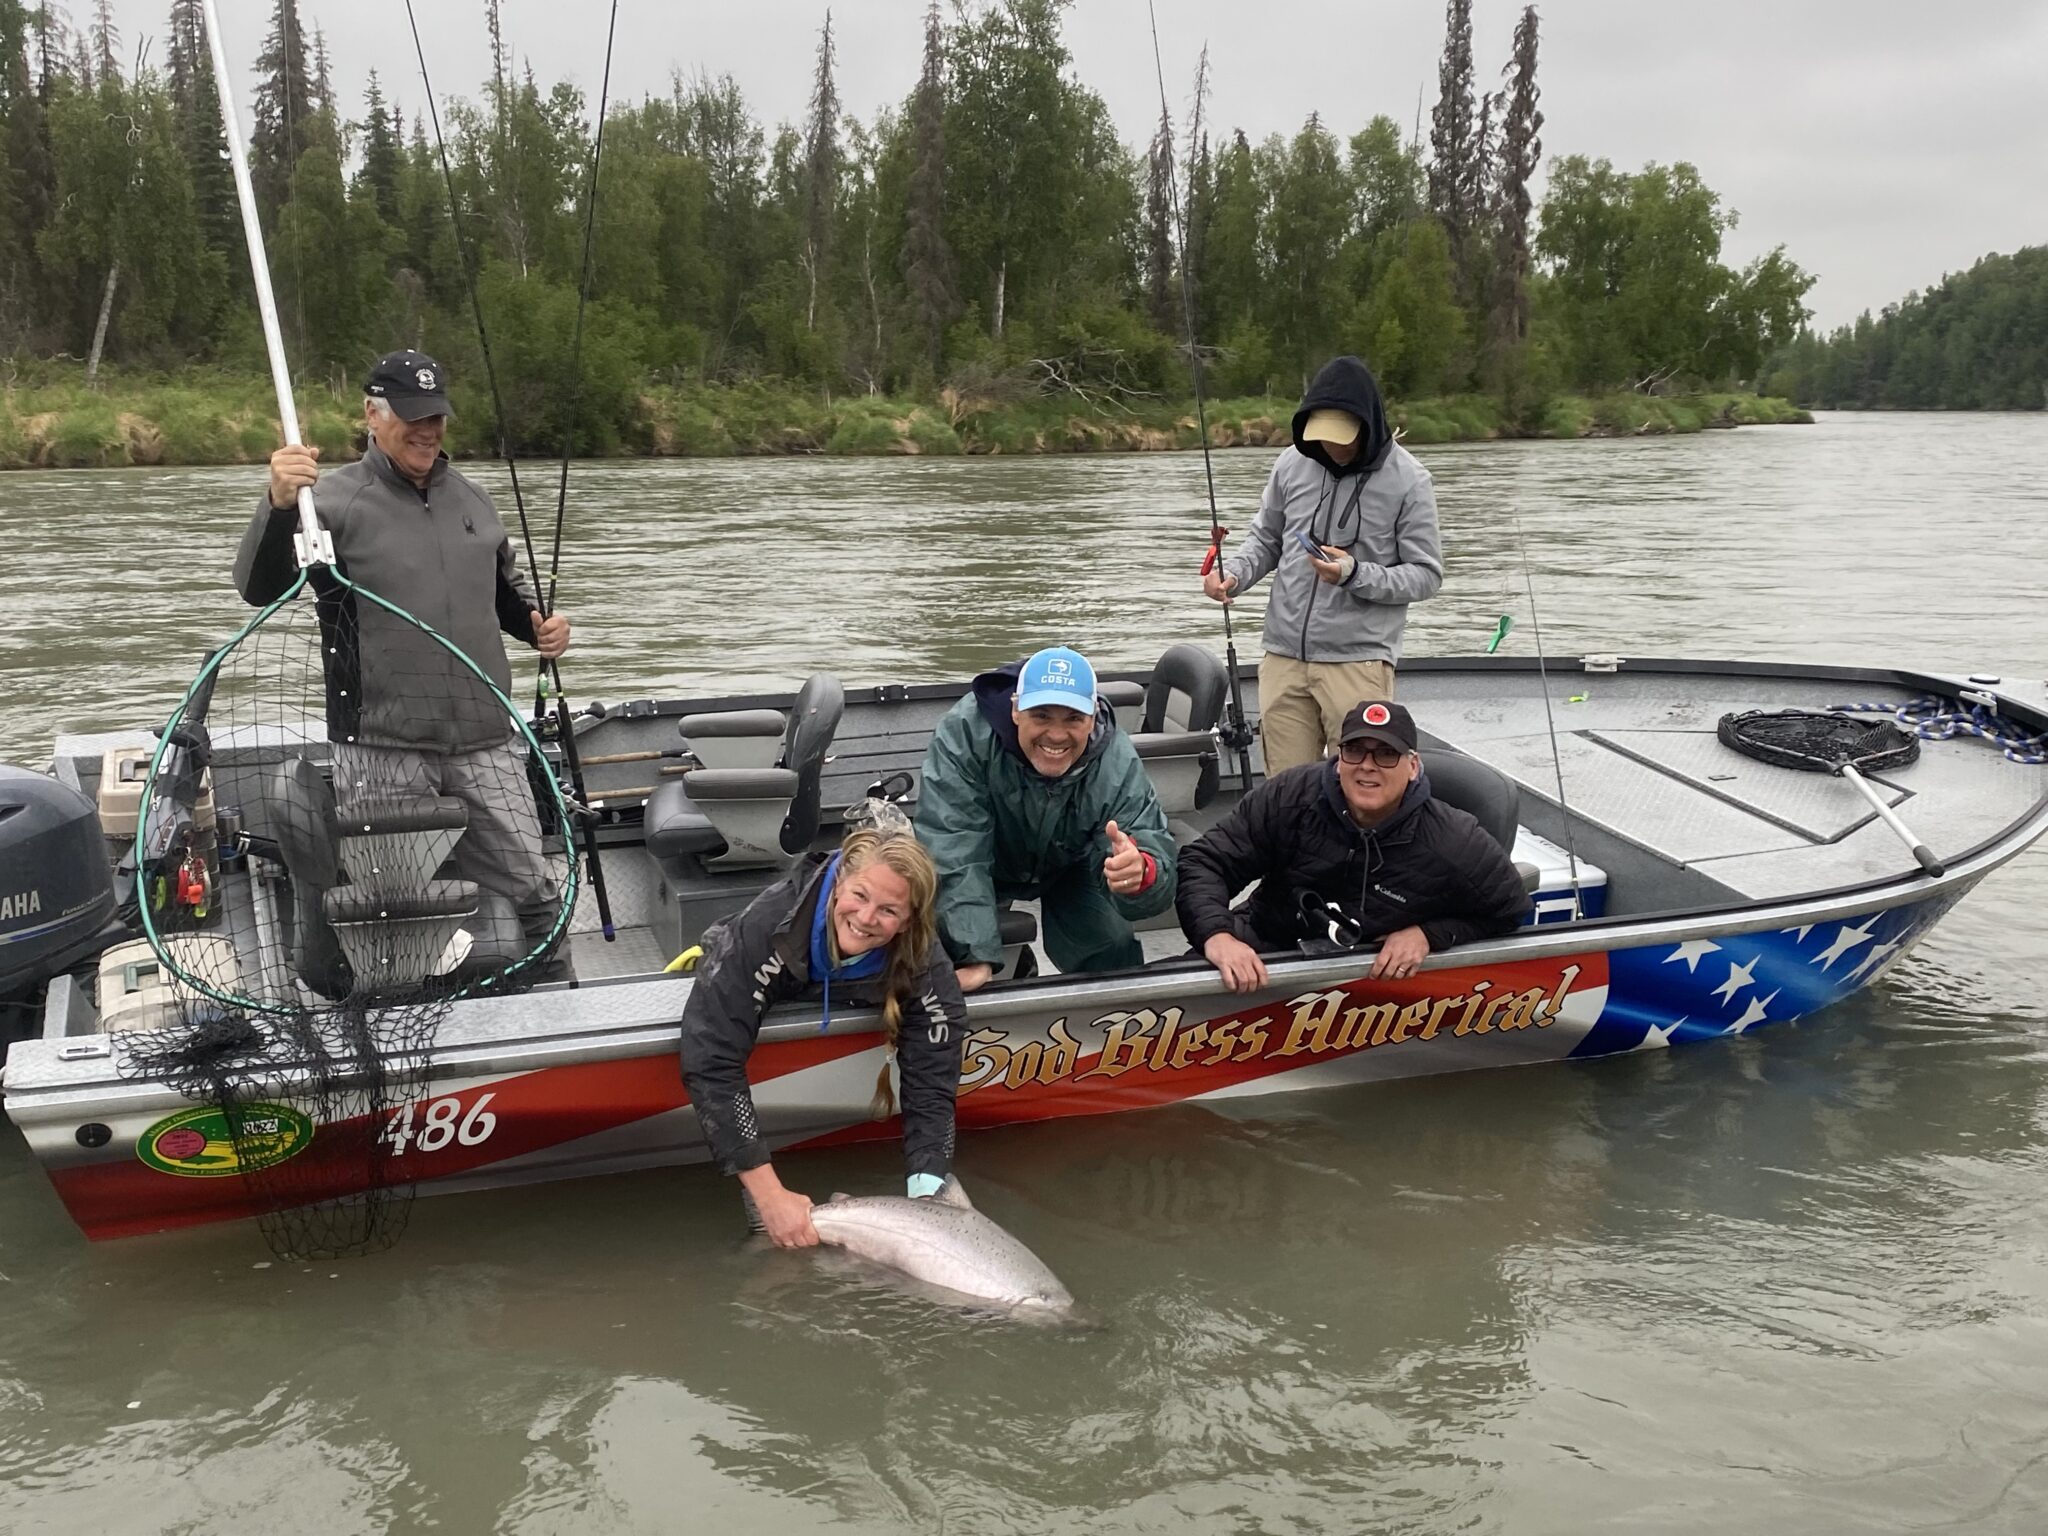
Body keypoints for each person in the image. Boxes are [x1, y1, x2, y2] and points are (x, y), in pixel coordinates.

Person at [233, 349, 573, 971]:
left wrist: (539, 626)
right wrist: (279, 505)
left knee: (535, 894)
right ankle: (410, 1015)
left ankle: (552, 1000)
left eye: (437, 415)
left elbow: (503, 596)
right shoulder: (327, 504)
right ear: (372, 413)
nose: (428, 429)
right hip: (380, 747)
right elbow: (260, 587)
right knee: (398, 911)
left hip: (485, 741)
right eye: (413, 416)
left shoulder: (474, 501)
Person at [678, 817, 967, 1248]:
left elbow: (931, 1086)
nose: (866, 918)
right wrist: (770, 1196)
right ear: (837, 886)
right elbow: (712, 1058)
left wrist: (927, 1204)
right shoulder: (768, 926)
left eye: (888, 911)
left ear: (908, 922)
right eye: (859, 896)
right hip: (743, 971)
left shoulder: (923, 957)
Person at [1177, 700, 1530, 993]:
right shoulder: (1289, 795)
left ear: (1413, 766)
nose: (1367, 766)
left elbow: (1510, 909)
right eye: (1354, 750)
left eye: (1386, 754)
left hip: (1373, 984)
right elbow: (1206, 862)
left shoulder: (1455, 839)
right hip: (1262, 953)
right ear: (1338, 757)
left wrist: (1429, 935)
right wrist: (1217, 936)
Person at [1201, 354, 1443, 776]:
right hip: (1284, 657)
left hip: (1358, 662)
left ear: (1367, 425)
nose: (1331, 447)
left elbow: (1426, 575)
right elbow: (1266, 539)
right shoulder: (1292, 463)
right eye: (1322, 436)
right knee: (1284, 788)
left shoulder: (1410, 480)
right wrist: (1234, 574)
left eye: (1341, 437)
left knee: (1362, 782)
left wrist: (1355, 574)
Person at [915, 646, 1177, 990]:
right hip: (987, 856)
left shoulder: (1116, 759)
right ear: (1015, 711)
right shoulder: (963, 733)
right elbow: (953, 842)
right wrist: (974, 954)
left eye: (1073, 719)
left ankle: (1118, 1024)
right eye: (1041, 715)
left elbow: (1146, 837)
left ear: (1094, 716)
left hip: (1072, 859)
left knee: (1111, 943)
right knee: (943, 945)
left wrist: (1141, 872)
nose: (1056, 735)